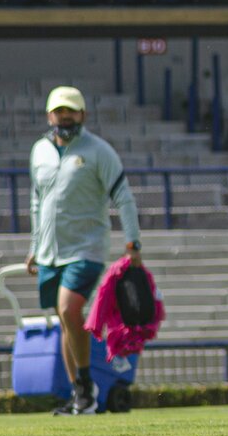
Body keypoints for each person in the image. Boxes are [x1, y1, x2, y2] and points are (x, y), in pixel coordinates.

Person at [25, 85, 142, 416]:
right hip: (49, 250)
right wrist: (35, 245)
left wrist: (132, 242)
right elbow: (37, 201)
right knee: (66, 321)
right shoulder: (39, 151)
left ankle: (87, 387)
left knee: (68, 308)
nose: (65, 116)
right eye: (59, 111)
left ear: (83, 115)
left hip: (86, 248)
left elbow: (124, 197)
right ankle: (81, 394)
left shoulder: (98, 151)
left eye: (71, 110)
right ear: (50, 115)